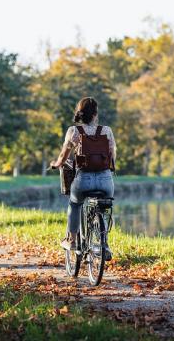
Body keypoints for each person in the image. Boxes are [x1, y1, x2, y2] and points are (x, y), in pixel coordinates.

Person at [51, 97, 116, 260]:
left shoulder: (74, 131)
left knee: (75, 203)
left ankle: (72, 240)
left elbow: (63, 155)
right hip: (105, 181)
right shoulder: (106, 130)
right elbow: (112, 155)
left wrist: (57, 164)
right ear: (95, 114)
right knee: (104, 207)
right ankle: (104, 244)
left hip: (83, 180)